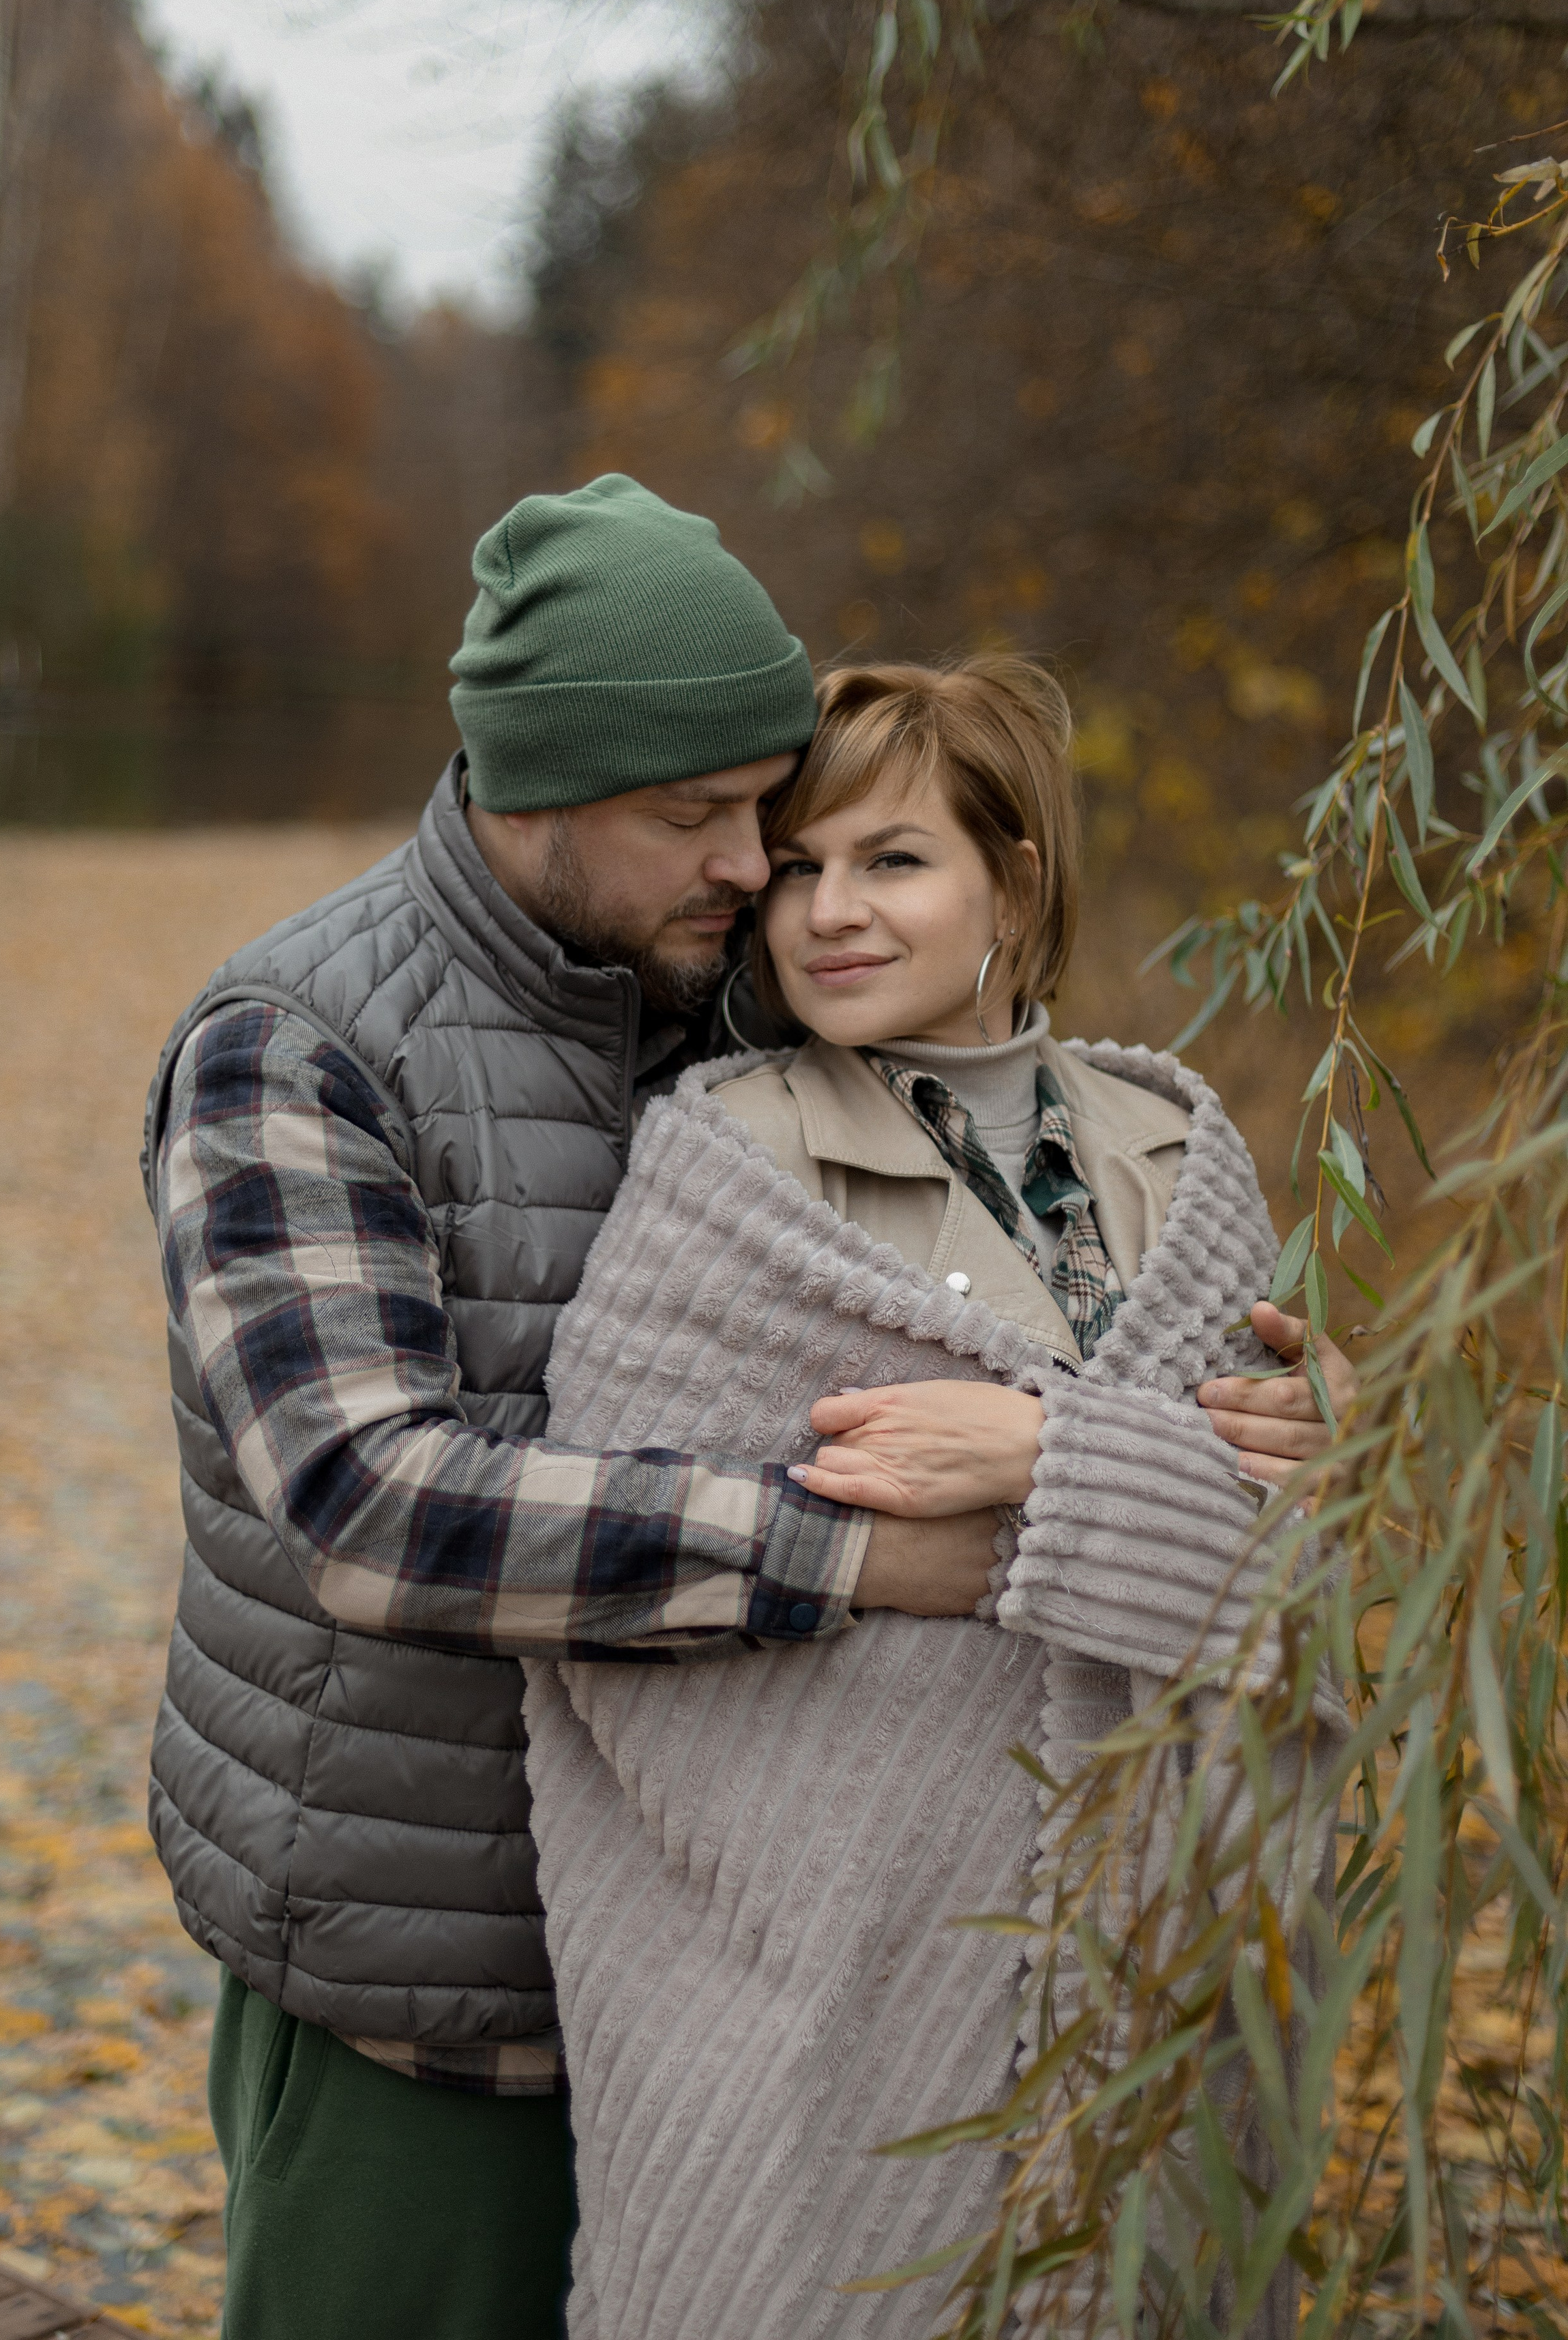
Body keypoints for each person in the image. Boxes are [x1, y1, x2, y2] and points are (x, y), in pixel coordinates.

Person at [138, 478, 1015, 2340]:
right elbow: (375, 1504)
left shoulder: (730, 997)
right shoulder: (295, 1049)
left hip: (730, 1976)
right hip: (437, 1990)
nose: (752, 861)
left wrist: (1226, 1408)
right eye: (693, 814)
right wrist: (846, 1554)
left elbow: (1017, 1237)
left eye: (766, 805)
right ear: (531, 788)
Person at [523, 654, 1354, 2339]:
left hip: (1147, 1982)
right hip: (821, 1967)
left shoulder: (1175, 1159)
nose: (827, 912)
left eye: (892, 860)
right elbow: (622, 1572)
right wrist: (1144, 1482)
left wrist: (1046, 1458)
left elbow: (1291, 1578)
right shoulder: (722, 1165)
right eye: (800, 865)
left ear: (1012, 881)